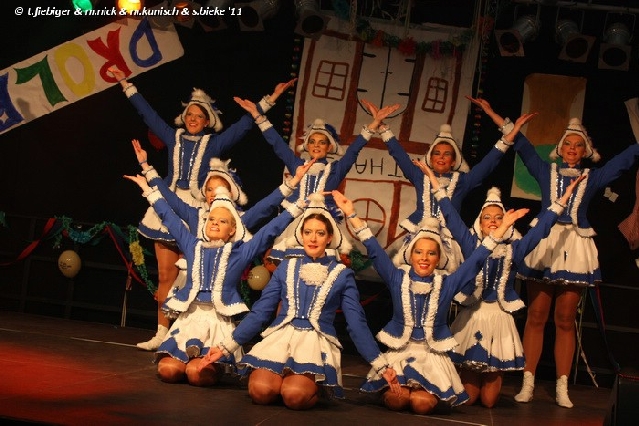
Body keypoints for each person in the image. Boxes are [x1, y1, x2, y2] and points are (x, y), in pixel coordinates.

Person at [109, 65, 294, 350]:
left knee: (197, 276)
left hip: (198, 212)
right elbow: (148, 114)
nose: (193, 119)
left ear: (208, 121)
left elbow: (244, 126)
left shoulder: (213, 144)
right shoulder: (172, 137)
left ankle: (192, 334)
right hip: (168, 204)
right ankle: (161, 333)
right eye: (189, 115)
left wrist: (271, 99)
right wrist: (125, 83)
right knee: (166, 275)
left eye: (199, 116)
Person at [476, 99, 639, 408]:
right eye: (568, 144)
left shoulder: (592, 177)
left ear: (586, 150)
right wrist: (496, 117)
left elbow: (622, 162)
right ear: (560, 148)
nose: (572, 149)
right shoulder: (545, 171)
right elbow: (521, 146)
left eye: (578, 145)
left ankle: (562, 386)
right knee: (536, 315)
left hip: (575, 246)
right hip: (545, 242)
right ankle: (528, 382)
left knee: (565, 319)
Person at [413, 115, 584, 407]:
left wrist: (564, 197)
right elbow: (450, 216)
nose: (493, 221)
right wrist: (432, 180)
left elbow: (542, 229)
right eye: (487, 218)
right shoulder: (471, 243)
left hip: (500, 318)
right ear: (480, 223)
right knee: (469, 398)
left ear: (505, 220)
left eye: (498, 217)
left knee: (490, 401)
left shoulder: (515, 249)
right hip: (473, 315)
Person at [332, 190, 529, 415]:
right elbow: (374, 249)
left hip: (432, 357)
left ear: (439, 258)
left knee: (421, 403)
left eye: (431, 253)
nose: (424, 258)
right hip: (400, 353)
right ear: (411, 255)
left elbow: (476, 259)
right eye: (419, 252)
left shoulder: (447, 283)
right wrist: (352, 214)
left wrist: (501, 230)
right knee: (397, 400)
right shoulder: (397, 278)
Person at [200, 193, 399, 410]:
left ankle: (313, 386)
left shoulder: (342, 274)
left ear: (329, 238)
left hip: (314, 343)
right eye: (308, 232)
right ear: (301, 235)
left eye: (320, 233)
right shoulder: (287, 266)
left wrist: (379, 364)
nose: (313, 238)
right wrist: (226, 347)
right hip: (281, 337)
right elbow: (261, 312)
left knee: (294, 396)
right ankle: (286, 379)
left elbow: (356, 324)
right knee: (261, 391)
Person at [123, 171, 306, 386]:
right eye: (211, 219)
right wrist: (148, 189)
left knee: (196, 374)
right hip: (189, 320)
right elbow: (170, 219)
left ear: (232, 229)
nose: (215, 223)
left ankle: (213, 365)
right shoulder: (192, 245)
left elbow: (269, 230)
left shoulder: (240, 253)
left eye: (222, 221)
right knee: (168, 370)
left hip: (217, 323)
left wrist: (297, 205)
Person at [131, 138, 315, 317]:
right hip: (192, 282)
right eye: (209, 189)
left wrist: (293, 183)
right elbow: (169, 204)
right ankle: (162, 332)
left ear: (232, 193)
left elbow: (266, 208)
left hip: (221, 288)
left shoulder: (239, 220)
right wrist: (147, 169)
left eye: (220, 189)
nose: (214, 194)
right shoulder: (195, 215)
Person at [233, 94, 401, 262]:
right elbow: (278, 144)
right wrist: (258, 116)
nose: (316, 145)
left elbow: (353, 151)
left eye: (322, 142)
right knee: (286, 264)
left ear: (329, 147)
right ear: (307, 145)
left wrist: (374, 124)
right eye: (312, 141)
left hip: (321, 224)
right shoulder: (297, 165)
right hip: (294, 223)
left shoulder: (335, 170)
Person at [368, 97, 515, 272]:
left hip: (449, 239)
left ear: (454, 161)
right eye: (437, 153)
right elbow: (399, 155)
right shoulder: (419, 175)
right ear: (430, 158)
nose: (441, 157)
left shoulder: (462, 181)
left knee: (446, 278)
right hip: (419, 234)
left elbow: (487, 165)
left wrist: (506, 140)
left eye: (447, 154)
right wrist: (382, 127)